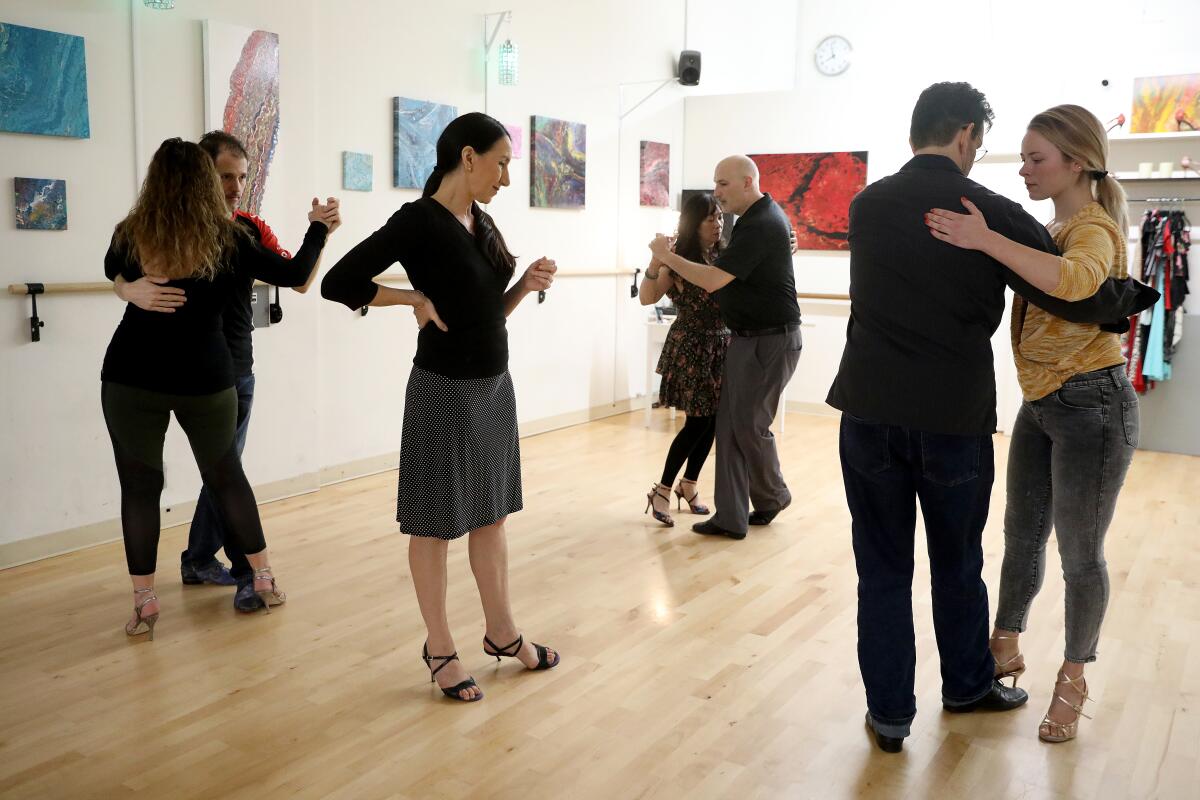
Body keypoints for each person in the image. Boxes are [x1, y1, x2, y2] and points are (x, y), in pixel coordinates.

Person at [828, 83, 1157, 754]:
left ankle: (890, 717)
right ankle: (968, 687)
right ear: (968, 135)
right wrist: (1128, 301)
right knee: (957, 564)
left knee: (883, 569)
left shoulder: (866, 204)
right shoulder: (994, 212)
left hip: (867, 411)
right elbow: (1071, 288)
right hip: (953, 417)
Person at [321, 112, 560, 702]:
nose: (506, 177)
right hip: (441, 392)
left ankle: (502, 633)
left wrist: (522, 287)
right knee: (433, 524)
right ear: (469, 157)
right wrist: (411, 298)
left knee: (490, 516)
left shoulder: (480, 221)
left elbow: (482, 314)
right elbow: (339, 280)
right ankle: (440, 647)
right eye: (501, 163)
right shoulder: (420, 221)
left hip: (493, 387)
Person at [925, 104, 1140, 743]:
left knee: (1079, 556)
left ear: (1077, 162)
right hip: (1044, 401)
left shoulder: (1093, 228)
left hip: (1092, 405)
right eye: (1020, 157)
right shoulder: (1059, 222)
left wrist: (985, 238)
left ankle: (1073, 677)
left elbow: (1076, 284)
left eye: (1035, 158)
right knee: (1021, 535)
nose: (1023, 170)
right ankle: (1004, 645)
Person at [101, 138, 329, 638]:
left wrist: (126, 286)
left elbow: (109, 266)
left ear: (154, 181)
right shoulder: (231, 240)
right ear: (207, 181)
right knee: (227, 477)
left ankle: (144, 604)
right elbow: (293, 272)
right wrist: (317, 228)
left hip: (130, 377)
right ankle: (263, 579)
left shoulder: (131, 232)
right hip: (205, 380)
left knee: (140, 488)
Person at [648, 155, 801, 541]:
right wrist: (663, 261)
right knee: (729, 428)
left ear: (748, 182)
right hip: (742, 340)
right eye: (715, 188)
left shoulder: (762, 223)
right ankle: (731, 516)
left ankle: (772, 495)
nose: (717, 194)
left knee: (748, 427)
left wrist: (665, 256)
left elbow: (715, 280)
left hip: (767, 338)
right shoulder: (755, 223)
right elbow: (652, 293)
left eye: (723, 185)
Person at [640, 192, 730, 527]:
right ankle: (662, 489)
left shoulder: (724, 253)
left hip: (721, 345)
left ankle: (689, 485)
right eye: (710, 218)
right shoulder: (678, 258)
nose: (718, 224)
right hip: (692, 346)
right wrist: (655, 263)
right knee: (697, 422)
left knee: (713, 421)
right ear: (694, 223)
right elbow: (648, 298)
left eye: (720, 216)